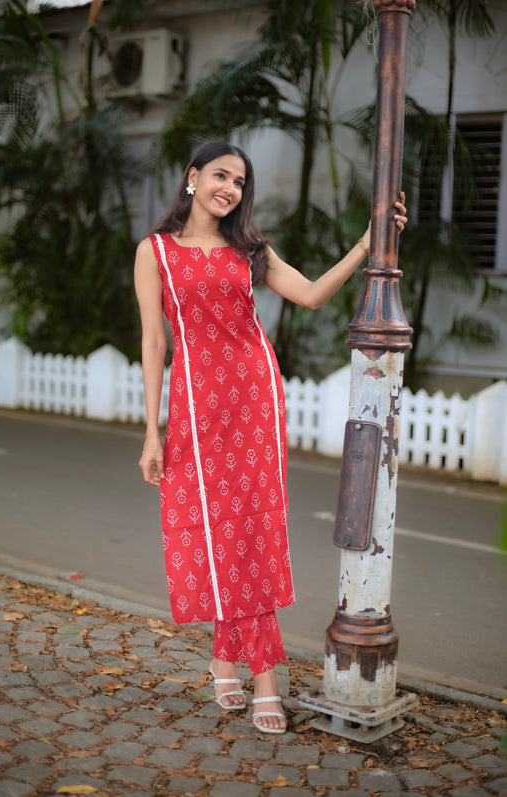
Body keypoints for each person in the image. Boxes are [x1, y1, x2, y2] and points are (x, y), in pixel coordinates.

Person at [135, 140, 407, 734]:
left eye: (239, 181)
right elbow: (155, 344)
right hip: (196, 405)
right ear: (193, 178)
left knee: (252, 530)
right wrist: (152, 432)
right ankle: (223, 656)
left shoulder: (249, 249)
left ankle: (260, 677)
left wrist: (366, 246)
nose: (228, 188)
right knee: (213, 527)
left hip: (255, 400)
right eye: (219, 175)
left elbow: (309, 296)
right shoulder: (155, 252)